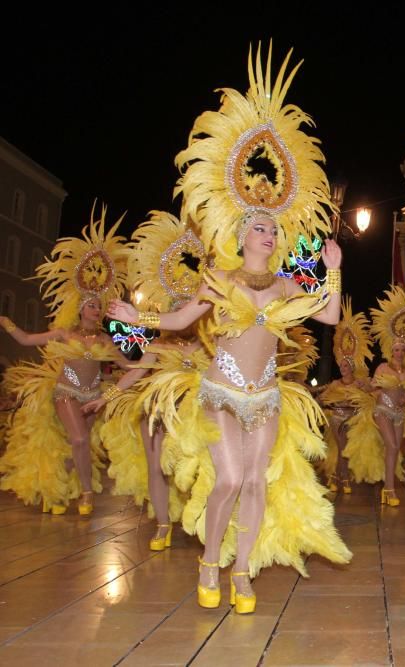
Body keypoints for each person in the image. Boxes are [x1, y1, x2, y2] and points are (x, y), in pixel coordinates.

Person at [109, 46, 352, 613]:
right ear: (244, 233)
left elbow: (332, 317)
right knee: (229, 479)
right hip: (220, 391)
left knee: (256, 483)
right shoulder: (220, 277)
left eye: (274, 229)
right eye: (261, 227)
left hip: (266, 395)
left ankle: (242, 572)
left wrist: (334, 273)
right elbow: (177, 320)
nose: (269, 234)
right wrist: (134, 318)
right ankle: (210, 562)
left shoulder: (290, 284)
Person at [84, 211, 209, 550]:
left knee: (204, 467)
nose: (183, 313)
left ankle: (205, 520)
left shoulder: (212, 345)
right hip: (158, 410)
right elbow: (135, 372)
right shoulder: (160, 344)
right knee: (156, 467)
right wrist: (106, 396)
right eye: (177, 305)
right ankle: (163, 524)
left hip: (198, 415)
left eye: (189, 307)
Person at [0, 204, 131, 516]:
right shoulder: (63, 334)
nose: (94, 310)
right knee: (79, 438)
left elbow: (129, 369)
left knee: (77, 448)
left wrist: (158, 362)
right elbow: (26, 340)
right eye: (89, 305)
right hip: (66, 392)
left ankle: (59, 491)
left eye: (98, 306)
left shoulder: (105, 341)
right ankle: (87, 494)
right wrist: (5, 321)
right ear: (80, 308)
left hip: (94, 396)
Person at [351, 284, 405, 507]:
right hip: (382, 410)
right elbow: (374, 387)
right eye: (396, 350)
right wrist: (363, 385)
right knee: (392, 446)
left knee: (395, 448)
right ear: (390, 351)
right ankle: (389, 488)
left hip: (399, 414)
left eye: (402, 350)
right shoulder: (383, 368)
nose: (399, 353)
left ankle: (388, 488)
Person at [318, 298, 373, 494]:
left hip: (352, 420)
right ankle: (342, 479)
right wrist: (331, 402)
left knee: (345, 449)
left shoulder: (358, 383)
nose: (343, 368)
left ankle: (339, 477)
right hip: (336, 418)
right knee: (341, 448)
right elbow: (322, 399)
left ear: (351, 367)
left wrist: (364, 388)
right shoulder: (335, 384)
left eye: (346, 365)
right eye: (341, 365)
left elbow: (370, 394)